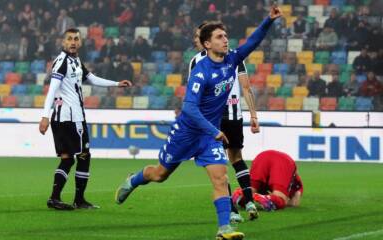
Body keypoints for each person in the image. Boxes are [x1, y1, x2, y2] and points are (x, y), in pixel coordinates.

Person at [115, 6, 281, 240]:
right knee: (160, 175)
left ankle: (224, 229)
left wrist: (268, 21)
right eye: (219, 37)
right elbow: (189, 108)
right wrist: (214, 130)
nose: (226, 40)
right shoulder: (201, 72)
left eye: (225, 36)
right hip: (187, 132)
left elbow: (252, 43)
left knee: (220, 178)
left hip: (209, 137)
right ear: (207, 44)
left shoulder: (231, 59)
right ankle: (133, 180)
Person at [39, 28, 132, 210]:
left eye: (76, 39)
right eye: (69, 39)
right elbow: (52, 90)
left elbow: (92, 78)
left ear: (80, 42)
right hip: (69, 118)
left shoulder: (75, 61)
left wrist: (116, 84)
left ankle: (57, 198)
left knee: (69, 159)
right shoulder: (62, 62)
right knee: (83, 156)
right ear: (63, 42)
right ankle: (76, 200)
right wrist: (44, 116)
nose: (73, 42)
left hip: (69, 117)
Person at [189, 22, 260, 223]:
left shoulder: (197, 61)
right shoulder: (235, 57)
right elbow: (247, 88)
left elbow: (194, 95)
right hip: (235, 115)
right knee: (236, 157)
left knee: (219, 162)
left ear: (206, 40)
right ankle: (249, 201)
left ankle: (232, 210)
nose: (196, 40)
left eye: (198, 36)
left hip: (214, 119)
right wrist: (253, 115)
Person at [232, 150, 303, 211]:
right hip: (283, 161)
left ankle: (239, 194)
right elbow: (294, 203)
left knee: (249, 192)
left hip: (262, 156)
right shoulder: (298, 186)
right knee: (280, 199)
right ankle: (265, 198)